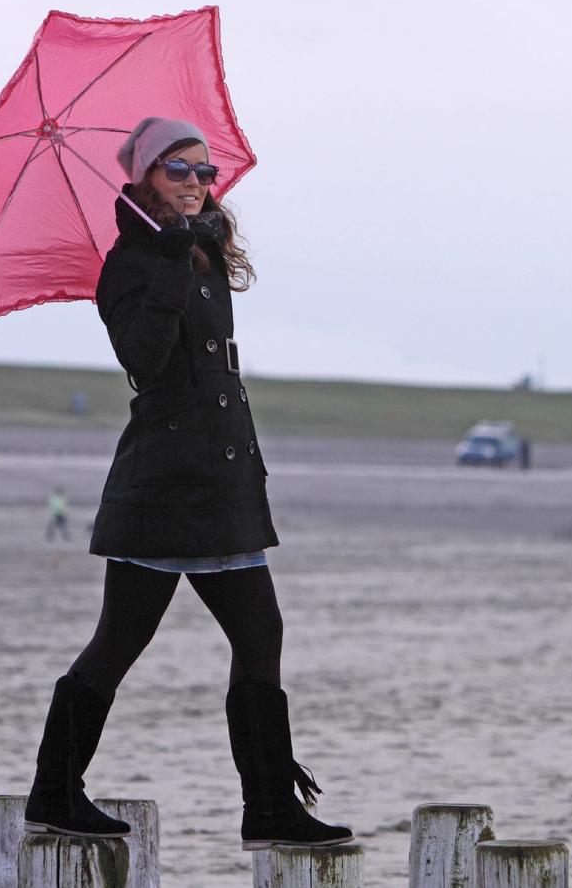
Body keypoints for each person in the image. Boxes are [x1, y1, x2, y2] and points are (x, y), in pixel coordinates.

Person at [22, 117, 351, 851]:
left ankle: (269, 808)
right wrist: (169, 261)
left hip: (222, 482)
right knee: (118, 643)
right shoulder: (130, 265)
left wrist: (189, 251)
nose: (199, 183)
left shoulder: (202, 249)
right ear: (144, 178)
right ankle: (53, 793)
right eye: (181, 170)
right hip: (164, 487)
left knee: (261, 631)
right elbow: (145, 358)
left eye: (206, 172)